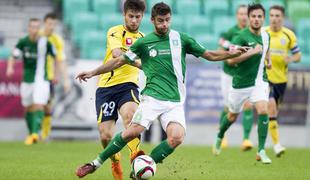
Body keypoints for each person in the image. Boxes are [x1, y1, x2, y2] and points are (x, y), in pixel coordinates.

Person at [74, 2, 246, 178]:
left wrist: (232, 53)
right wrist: (93, 72)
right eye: (160, 21)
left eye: (167, 20)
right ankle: (95, 163)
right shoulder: (144, 43)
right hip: (152, 99)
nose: (164, 24)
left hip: (175, 102)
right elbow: (118, 60)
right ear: (152, 20)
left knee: (177, 138)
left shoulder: (182, 39)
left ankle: (143, 166)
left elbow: (209, 54)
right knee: (131, 131)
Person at [79, 1, 146, 179]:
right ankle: (115, 159)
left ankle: (135, 158)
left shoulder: (144, 39)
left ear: (142, 17)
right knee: (105, 135)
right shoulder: (115, 31)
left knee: (130, 117)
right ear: (124, 15)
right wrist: (140, 64)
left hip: (128, 86)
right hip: (106, 86)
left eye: (137, 17)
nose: (133, 20)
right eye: (130, 16)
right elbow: (117, 54)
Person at [212, 3, 272, 164]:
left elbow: (267, 49)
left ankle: (261, 150)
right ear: (249, 17)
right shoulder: (240, 37)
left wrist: (269, 60)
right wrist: (252, 52)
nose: (256, 19)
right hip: (240, 83)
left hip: (260, 81)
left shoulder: (267, 35)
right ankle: (220, 135)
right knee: (232, 115)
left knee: (263, 109)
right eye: (253, 16)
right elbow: (231, 60)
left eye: (260, 16)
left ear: (263, 18)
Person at [6, 18, 56, 145]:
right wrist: (10, 67)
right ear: (29, 28)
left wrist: (54, 73)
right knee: (28, 107)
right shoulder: (23, 42)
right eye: (32, 27)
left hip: (42, 79)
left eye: (37, 27)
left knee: (39, 104)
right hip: (27, 79)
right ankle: (31, 132)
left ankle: (35, 133)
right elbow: (14, 56)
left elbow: (55, 57)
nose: (34, 29)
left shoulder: (45, 42)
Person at [265, 5, 301, 157]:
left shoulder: (288, 35)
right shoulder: (263, 33)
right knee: (271, 105)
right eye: (272, 15)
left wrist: (291, 58)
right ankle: (277, 145)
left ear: (283, 18)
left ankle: (265, 143)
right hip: (264, 78)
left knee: (273, 113)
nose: (274, 18)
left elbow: (298, 56)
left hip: (281, 79)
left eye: (277, 16)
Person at [218, 4, 254, 151]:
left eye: (246, 14)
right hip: (229, 74)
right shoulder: (230, 33)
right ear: (237, 16)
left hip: (245, 75)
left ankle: (246, 139)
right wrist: (228, 58)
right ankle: (222, 136)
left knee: (248, 105)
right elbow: (221, 50)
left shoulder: (253, 33)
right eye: (241, 14)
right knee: (228, 106)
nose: (243, 16)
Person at [40, 12, 70, 141]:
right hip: (35, 77)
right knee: (35, 105)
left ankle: (43, 134)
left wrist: (65, 79)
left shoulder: (57, 40)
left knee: (47, 106)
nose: (51, 26)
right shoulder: (37, 37)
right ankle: (34, 132)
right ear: (44, 23)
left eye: (54, 24)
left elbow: (60, 60)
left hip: (49, 77)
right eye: (49, 23)